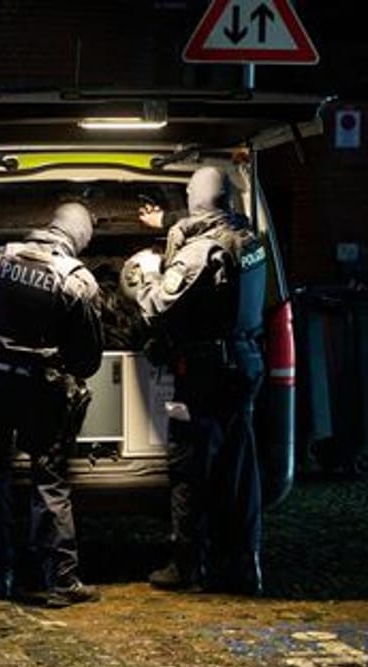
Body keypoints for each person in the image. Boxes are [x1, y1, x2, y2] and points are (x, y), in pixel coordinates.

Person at [123, 166, 266, 595]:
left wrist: (142, 275)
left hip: (204, 373)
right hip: (244, 363)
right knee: (239, 470)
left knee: (190, 467)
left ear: (197, 197)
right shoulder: (249, 241)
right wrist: (167, 225)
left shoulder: (199, 253)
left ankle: (187, 566)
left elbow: (156, 307)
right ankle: (244, 565)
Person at [0, 202, 104, 607]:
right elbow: (87, 360)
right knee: (50, 481)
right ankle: (60, 581)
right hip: (43, 391)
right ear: (78, 238)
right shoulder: (76, 280)